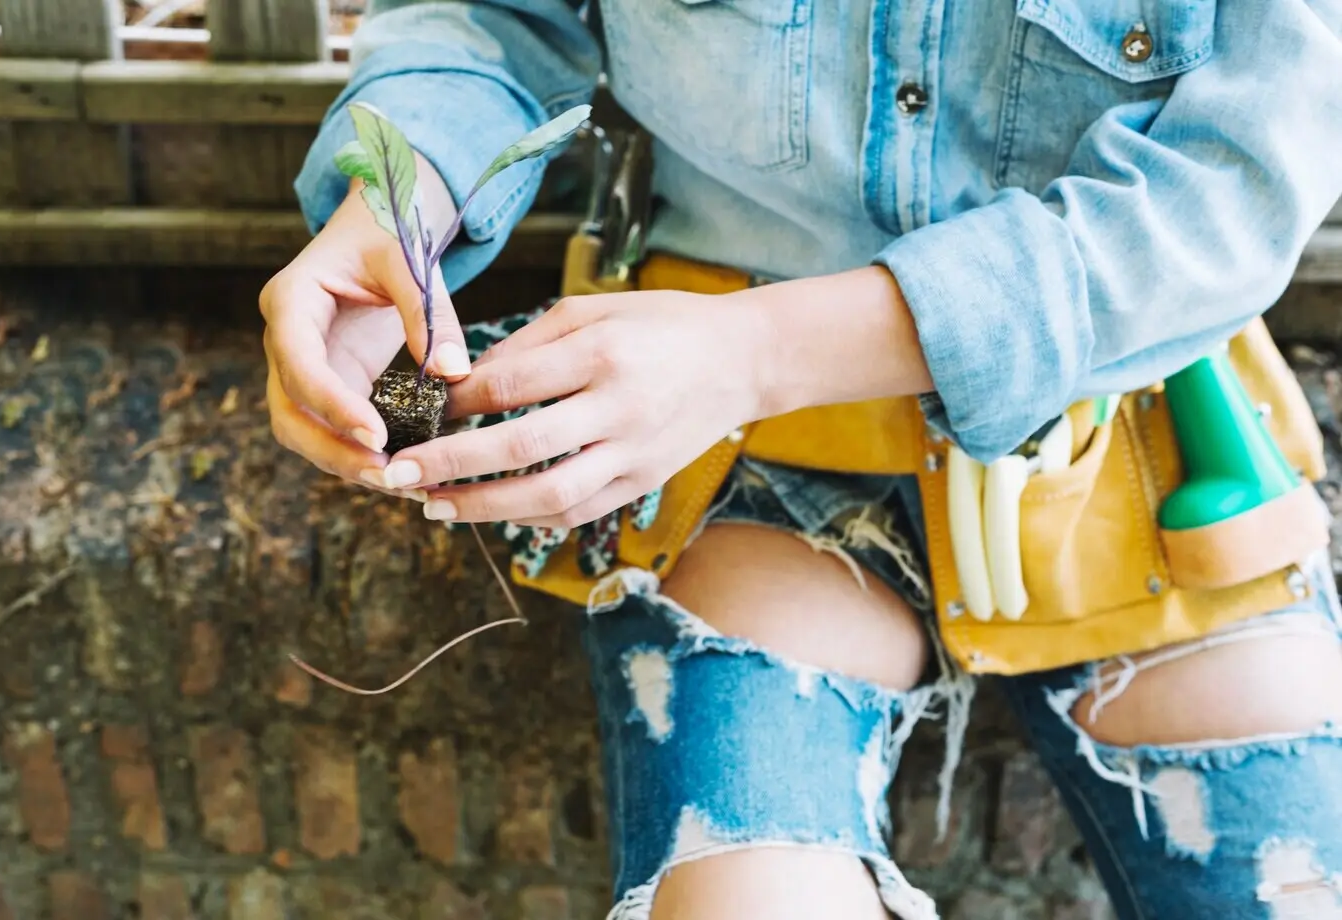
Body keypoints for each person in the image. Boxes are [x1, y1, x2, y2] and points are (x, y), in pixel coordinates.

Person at [260, 0, 1342, 917]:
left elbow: (1236, 183)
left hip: (1137, 441)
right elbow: (493, 18)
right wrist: (393, 207)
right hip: (736, 455)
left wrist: (758, 353)